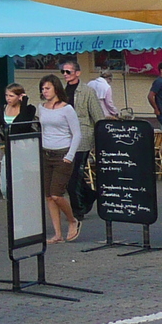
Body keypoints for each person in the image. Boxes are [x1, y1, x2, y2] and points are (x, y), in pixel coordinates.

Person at [36, 74, 83, 243]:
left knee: (57, 194)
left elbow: (77, 133)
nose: (45, 91)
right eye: (42, 88)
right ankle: (57, 234)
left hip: (62, 154)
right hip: (46, 153)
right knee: (48, 196)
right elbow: (41, 130)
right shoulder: (41, 108)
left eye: (47, 88)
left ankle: (73, 220)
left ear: (56, 88)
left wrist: (70, 155)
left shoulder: (67, 109)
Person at [60, 59, 106, 221]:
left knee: (75, 175)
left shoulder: (87, 91)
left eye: (68, 72)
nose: (65, 75)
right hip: (66, 137)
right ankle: (89, 195)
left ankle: (77, 209)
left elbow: (98, 116)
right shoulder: (62, 91)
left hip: (83, 136)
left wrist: (100, 139)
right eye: (63, 72)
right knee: (68, 174)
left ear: (77, 73)